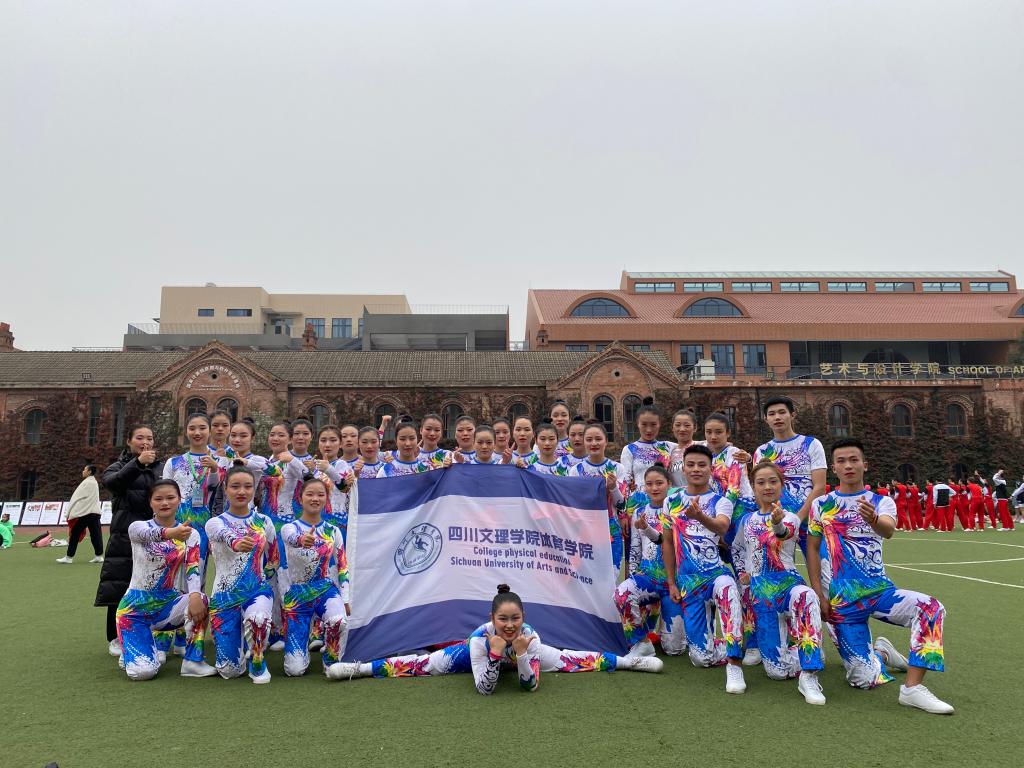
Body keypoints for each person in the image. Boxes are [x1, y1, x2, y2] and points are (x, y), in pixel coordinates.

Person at [805, 438, 952, 714]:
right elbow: (812, 548)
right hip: (842, 603)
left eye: (854, 460)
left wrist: (872, 518)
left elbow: (888, 530)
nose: (848, 466)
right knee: (864, 679)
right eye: (841, 461)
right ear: (833, 468)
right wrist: (818, 594)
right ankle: (882, 653)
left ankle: (912, 689)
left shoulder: (881, 502)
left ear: (865, 465)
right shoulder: (821, 504)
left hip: (879, 593)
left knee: (931, 608)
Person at [327, 584, 661, 688]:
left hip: (518, 655)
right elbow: (485, 688)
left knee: (573, 659)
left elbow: (529, 686)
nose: (510, 625)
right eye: (503, 619)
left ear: (524, 618)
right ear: (492, 619)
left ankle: (631, 662)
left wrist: (522, 654)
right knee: (421, 665)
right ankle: (361, 668)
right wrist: (496, 652)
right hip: (475, 657)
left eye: (515, 619)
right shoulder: (477, 639)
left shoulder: (529, 637)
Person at [732, 462, 825, 704]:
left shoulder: (790, 517)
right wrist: (742, 573)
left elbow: (784, 533)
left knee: (807, 596)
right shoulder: (746, 520)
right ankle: (804, 649)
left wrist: (776, 523)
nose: (767, 487)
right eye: (761, 482)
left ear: (782, 485)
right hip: (762, 595)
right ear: (753, 487)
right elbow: (737, 548)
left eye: (773, 481)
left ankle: (809, 672)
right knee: (776, 672)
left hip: (788, 586)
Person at [660, 444, 746, 694]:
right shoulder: (671, 501)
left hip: (716, 574)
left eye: (702, 465)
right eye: (691, 465)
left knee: (729, 591)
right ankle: (728, 643)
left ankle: (734, 663)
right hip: (688, 581)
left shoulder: (721, 501)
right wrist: (672, 582)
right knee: (701, 659)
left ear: (711, 469)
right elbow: (667, 542)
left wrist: (700, 516)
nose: (696, 469)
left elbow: (721, 527)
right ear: (683, 469)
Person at [115, 479, 217, 680]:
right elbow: (148, 534)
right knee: (143, 673)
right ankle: (138, 648)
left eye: (170, 498)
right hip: (135, 609)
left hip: (167, 605)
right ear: (150, 502)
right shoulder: (138, 527)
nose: (165, 503)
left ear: (179, 500)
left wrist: (195, 595)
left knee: (201, 599)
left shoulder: (191, 534)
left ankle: (193, 662)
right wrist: (172, 533)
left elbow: (193, 569)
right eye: (158, 499)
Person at [95, 425, 165, 658]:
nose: (145, 442)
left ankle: (151, 633)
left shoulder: (161, 468)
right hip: (124, 537)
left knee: (153, 584)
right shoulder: (118, 466)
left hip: (155, 535)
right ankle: (115, 636)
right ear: (129, 441)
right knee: (120, 585)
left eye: (149, 438)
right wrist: (137, 464)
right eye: (139, 438)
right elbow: (113, 483)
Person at [206, 466, 280, 683]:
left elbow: (274, 558)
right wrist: (237, 543)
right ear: (225, 488)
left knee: (258, 618)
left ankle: (257, 661)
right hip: (224, 596)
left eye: (248, 486)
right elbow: (225, 535)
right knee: (228, 670)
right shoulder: (215, 523)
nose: (242, 491)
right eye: (235, 486)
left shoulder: (264, 522)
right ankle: (239, 647)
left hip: (256, 591)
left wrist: (262, 578)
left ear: (254, 489)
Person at [614, 465, 687, 657]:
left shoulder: (678, 511)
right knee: (622, 593)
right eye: (649, 484)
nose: (654, 488)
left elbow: (664, 541)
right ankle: (641, 641)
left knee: (674, 650)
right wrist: (632, 576)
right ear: (644, 486)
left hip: (674, 583)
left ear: (669, 484)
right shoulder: (639, 512)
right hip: (648, 578)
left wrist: (647, 528)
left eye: (659, 483)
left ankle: (673, 628)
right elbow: (635, 549)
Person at [280, 479, 350, 677]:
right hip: (298, 595)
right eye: (310, 494)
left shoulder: (333, 531)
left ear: (326, 498)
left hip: (325, 590)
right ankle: (301, 651)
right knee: (294, 670)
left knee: (339, 621)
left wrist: (345, 598)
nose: (315, 498)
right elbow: (293, 539)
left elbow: (343, 567)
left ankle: (331, 659)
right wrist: (303, 539)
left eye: (320, 494)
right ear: (300, 498)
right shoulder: (289, 528)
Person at [753, 396, 826, 554]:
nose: (777, 417)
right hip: (777, 522)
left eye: (782, 412)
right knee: (780, 568)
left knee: (820, 567)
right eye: (772, 414)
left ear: (792, 415)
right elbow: (759, 490)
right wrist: (773, 520)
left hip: (810, 520)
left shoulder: (811, 444)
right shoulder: (762, 451)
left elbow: (820, 487)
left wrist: (798, 518)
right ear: (766, 419)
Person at [569, 423, 629, 577]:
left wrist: (613, 488)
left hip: (611, 529)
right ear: (584, 442)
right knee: (586, 576)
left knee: (611, 576)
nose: (594, 443)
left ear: (606, 441)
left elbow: (621, 504)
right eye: (589, 439)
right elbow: (573, 504)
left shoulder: (617, 468)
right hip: (584, 530)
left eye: (598, 439)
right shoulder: (576, 471)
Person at [619, 398, 675, 495]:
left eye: (653, 424)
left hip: (663, 500)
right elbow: (625, 481)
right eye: (644, 424)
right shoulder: (629, 449)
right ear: (638, 424)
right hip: (639, 500)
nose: (649, 430)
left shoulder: (668, 447)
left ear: (659, 424)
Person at [57, 465, 105, 565]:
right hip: (95, 513)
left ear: (89, 471)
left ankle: (69, 557)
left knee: (75, 533)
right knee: (96, 535)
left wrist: (68, 512)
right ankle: (99, 556)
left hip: (86, 513)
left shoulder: (86, 483)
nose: (83, 471)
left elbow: (75, 498)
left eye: (84, 470)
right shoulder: (95, 482)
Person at [668, 408, 698, 488]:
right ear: (672, 428)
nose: (682, 429)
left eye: (687, 425)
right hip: (676, 495)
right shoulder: (668, 451)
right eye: (678, 425)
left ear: (695, 428)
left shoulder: (703, 447)